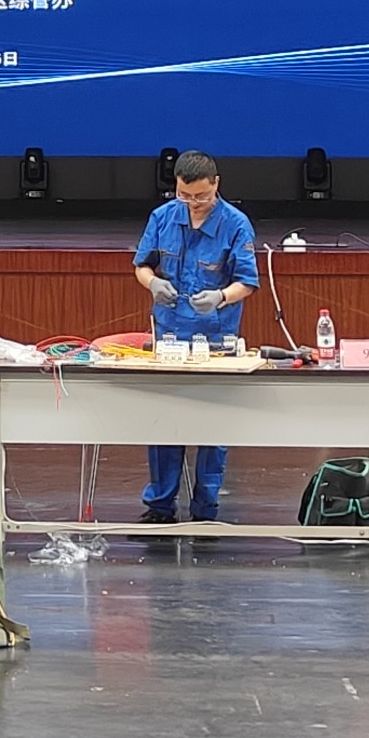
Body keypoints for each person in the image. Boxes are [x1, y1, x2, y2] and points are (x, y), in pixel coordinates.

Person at [130, 151, 257, 522]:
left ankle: (205, 507)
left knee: (212, 425)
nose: (193, 203)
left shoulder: (236, 224)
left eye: (201, 196)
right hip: (169, 332)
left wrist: (221, 297)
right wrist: (153, 283)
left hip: (215, 339)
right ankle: (160, 505)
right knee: (163, 421)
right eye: (184, 196)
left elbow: (247, 282)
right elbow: (142, 265)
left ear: (216, 185)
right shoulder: (163, 217)